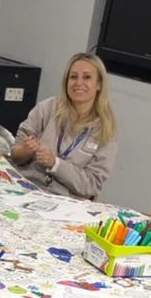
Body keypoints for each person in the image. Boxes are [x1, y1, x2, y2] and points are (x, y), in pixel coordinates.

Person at [11, 52, 117, 199]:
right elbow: (15, 156)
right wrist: (25, 151)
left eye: (87, 77)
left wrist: (56, 164)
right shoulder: (47, 108)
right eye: (73, 77)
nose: (78, 83)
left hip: (66, 203)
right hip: (27, 189)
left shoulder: (105, 130)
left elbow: (92, 185)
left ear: (99, 84)